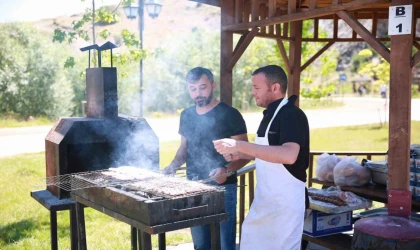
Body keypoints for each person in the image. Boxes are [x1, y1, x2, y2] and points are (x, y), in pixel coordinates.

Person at [213, 65, 310, 250]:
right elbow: (267, 151)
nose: (252, 92)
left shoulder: (291, 114)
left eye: (257, 88)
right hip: (265, 199)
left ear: (275, 88)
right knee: (251, 242)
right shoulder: (270, 115)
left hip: (285, 204)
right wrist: (239, 154)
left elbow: (289, 155)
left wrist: (240, 145)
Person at [162, 67, 249, 250]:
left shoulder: (230, 114)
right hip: (194, 186)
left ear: (213, 85)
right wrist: (173, 166)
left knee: (225, 244)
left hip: (224, 188)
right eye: (192, 89)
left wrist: (227, 171)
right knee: (201, 244)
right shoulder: (186, 115)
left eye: (202, 87)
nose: (198, 93)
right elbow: (184, 148)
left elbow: (245, 153)